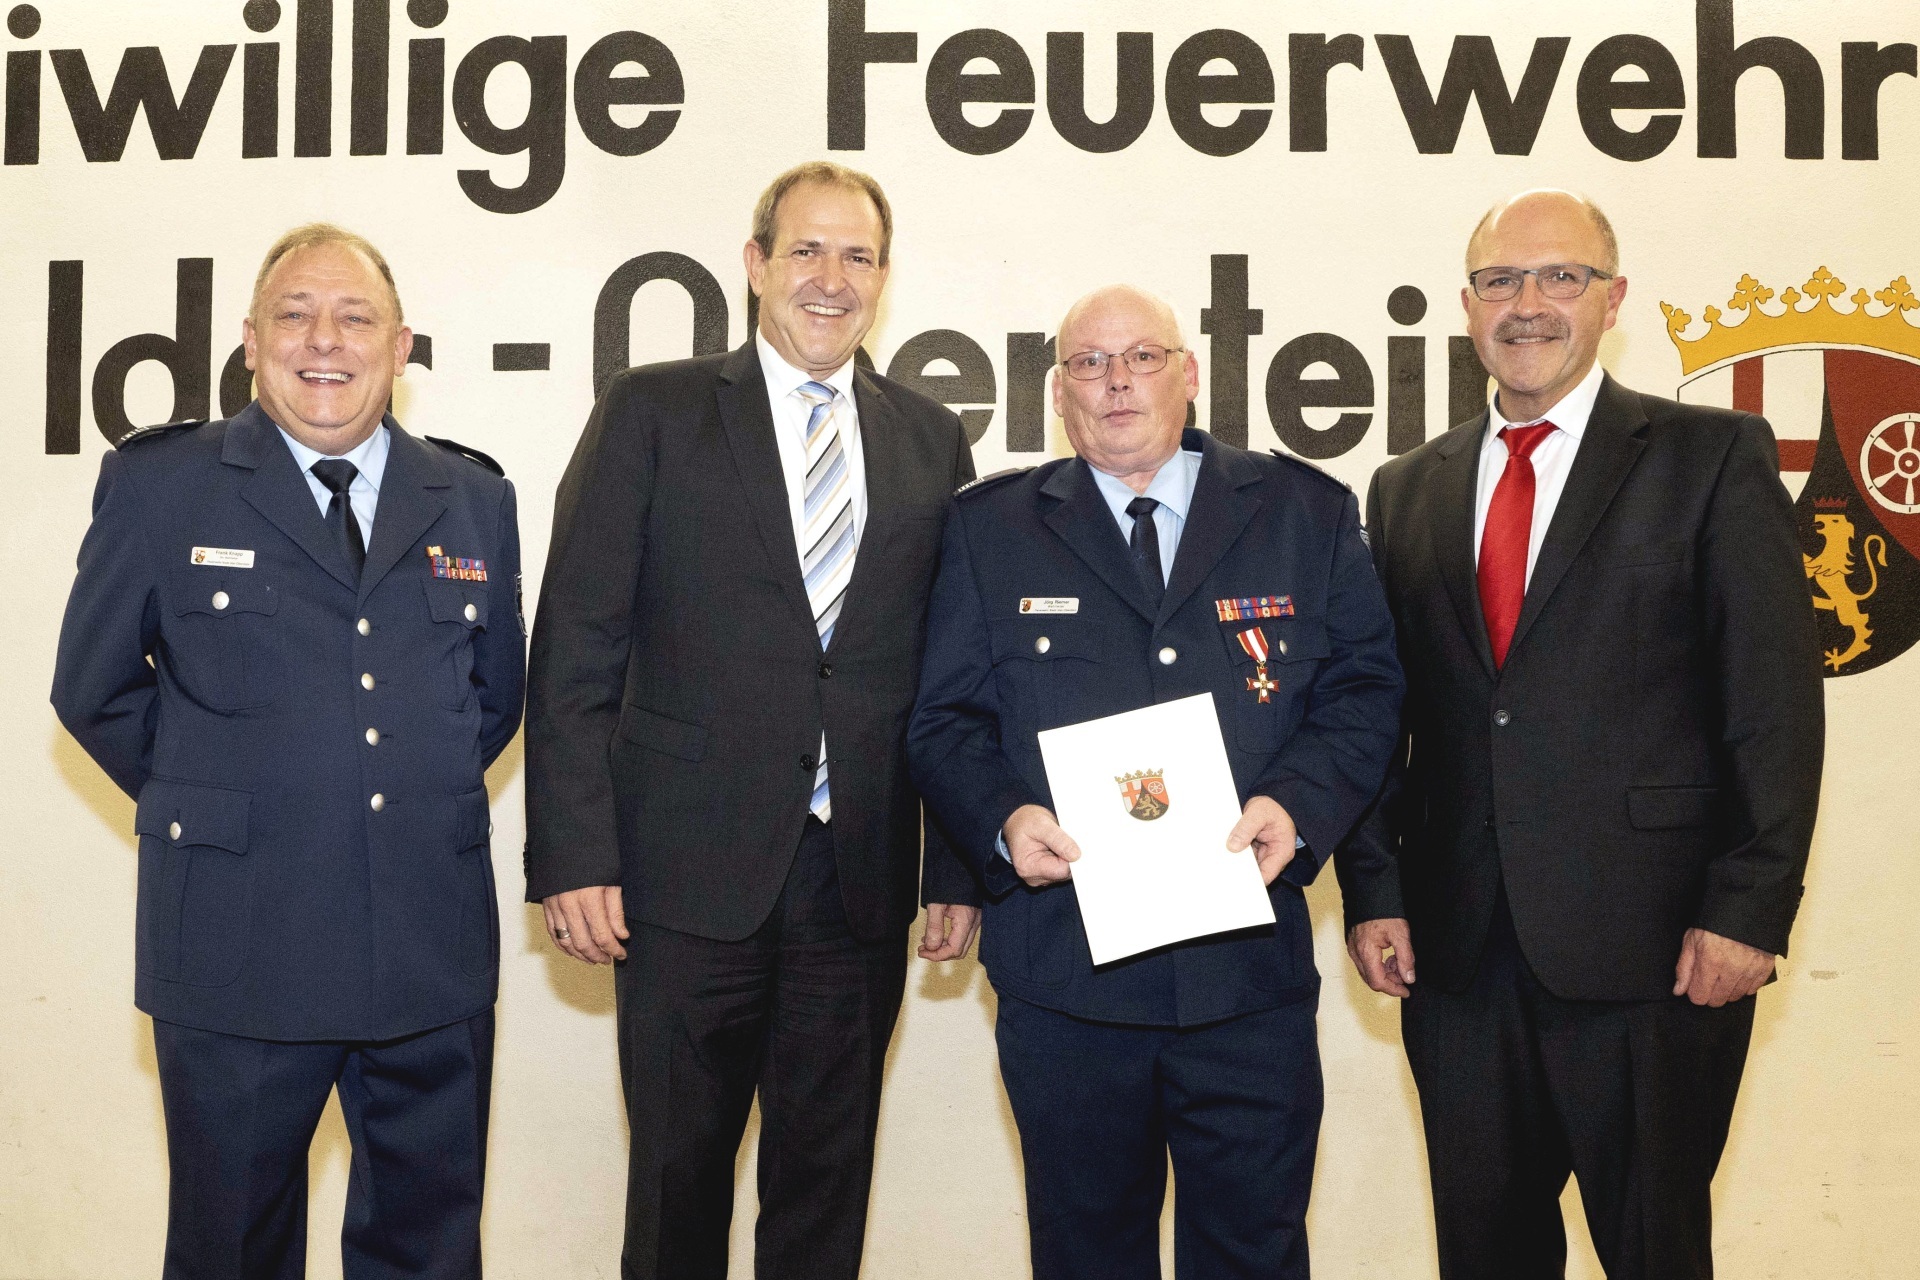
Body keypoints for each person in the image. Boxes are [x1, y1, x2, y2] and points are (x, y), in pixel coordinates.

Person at [1339, 190, 1825, 1279]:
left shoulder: (1711, 455)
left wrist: (1748, 908)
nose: (1529, 303)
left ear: (1614, 298)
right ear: (1467, 305)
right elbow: (1380, 711)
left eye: (1561, 276)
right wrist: (1374, 888)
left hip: (1657, 952)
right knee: (1484, 1254)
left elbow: (1774, 704)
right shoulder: (1405, 488)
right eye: (1501, 280)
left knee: (1655, 1251)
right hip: (1459, 957)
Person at [522, 161, 980, 1280]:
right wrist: (574, 853)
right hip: (681, 878)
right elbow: (576, 642)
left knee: (825, 1194)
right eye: (807, 250)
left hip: (858, 880)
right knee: (675, 1189)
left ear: (884, 277)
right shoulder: (654, 410)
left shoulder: (931, 439)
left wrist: (957, 864)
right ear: (756, 264)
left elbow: (956, 677)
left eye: (858, 256)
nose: (832, 278)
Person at [50, 223, 525, 1278]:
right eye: (295, 316)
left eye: (355, 319)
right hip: (239, 943)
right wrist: (224, 798)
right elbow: (94, 688)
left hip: (428, 946)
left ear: (400, 347)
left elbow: (492, 701)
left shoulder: (474, 498)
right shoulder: (163, 485)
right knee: (230, 1250)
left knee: (431, 1252)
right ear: (251, 341)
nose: (325, 341)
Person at [907, 284, 1403, 1279]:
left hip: (1245, 982)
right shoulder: (989, 528)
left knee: (1254, 1255)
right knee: (1085, 1258)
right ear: (1058, 392)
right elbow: (944, 718)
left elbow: (1364, 693)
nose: (1117, 381)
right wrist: (1003, 819)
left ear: (1190, 373)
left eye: (1142, 356)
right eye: (1089, 363)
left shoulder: (1303, 512)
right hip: (1066, 982)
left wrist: (1297, 804)